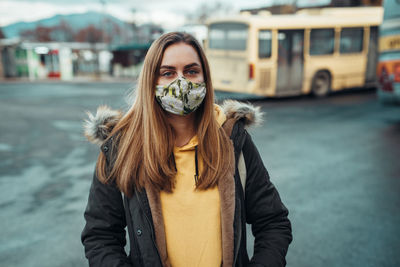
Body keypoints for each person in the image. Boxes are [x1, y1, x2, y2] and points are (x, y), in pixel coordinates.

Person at [81, 32, 292, 267]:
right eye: (167, 72)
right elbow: (100, 237)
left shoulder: (233, 141)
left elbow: (273, 223)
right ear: (150, 81)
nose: (181, 82)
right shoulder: (121, 149)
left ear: (205, 78)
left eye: (191, 71)